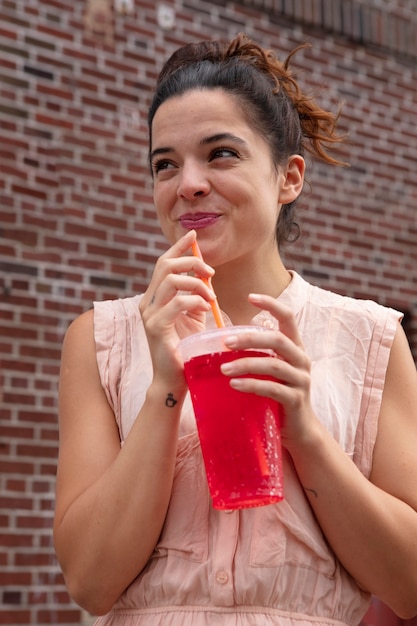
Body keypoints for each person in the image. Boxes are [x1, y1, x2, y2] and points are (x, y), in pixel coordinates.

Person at [53, 33, 417, 625]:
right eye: (164, 163)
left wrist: (303, 429)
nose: (187, 183)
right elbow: (90, 581)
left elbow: (409, 584)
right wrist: (165, 387)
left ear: (289, 178)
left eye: (221, 153)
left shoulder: (370, 339)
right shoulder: (101, 338)